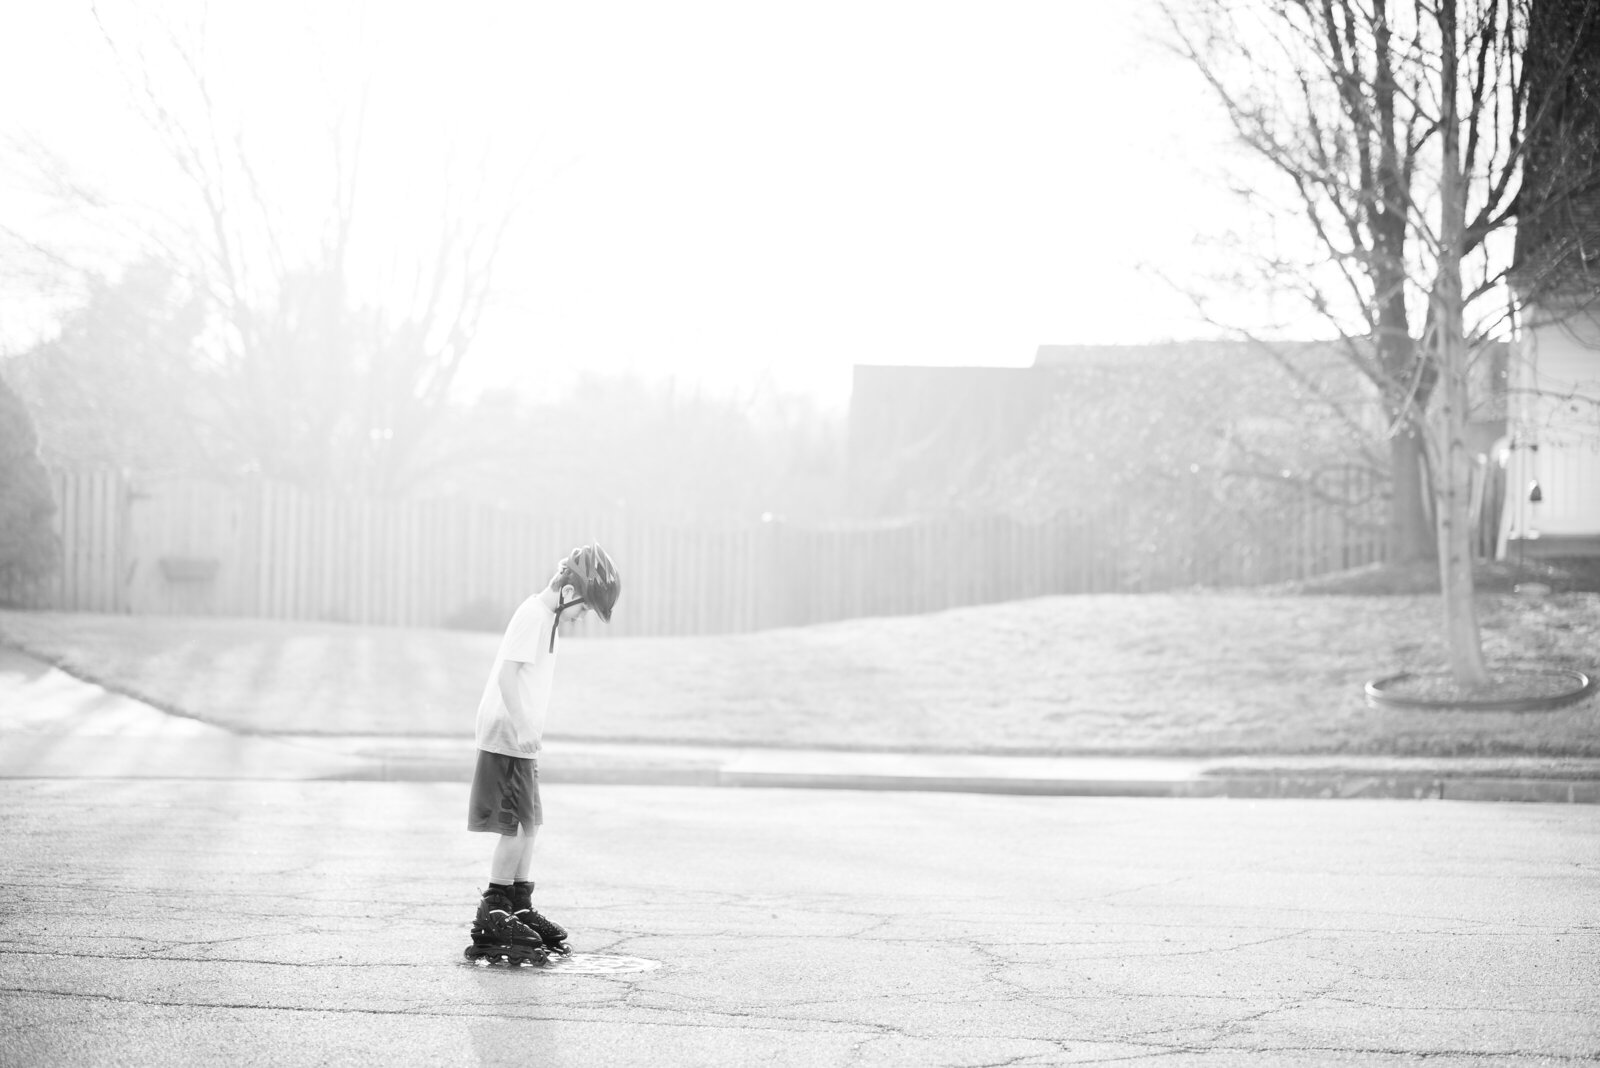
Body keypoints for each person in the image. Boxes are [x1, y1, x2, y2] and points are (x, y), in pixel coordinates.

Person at [463, 544, 621, 965]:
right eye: (584, 608)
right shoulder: (533, 616)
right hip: (506, 735)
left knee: (530, 825)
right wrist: (521, 726)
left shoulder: (548, 620)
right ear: (568, 589)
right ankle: (494, 912)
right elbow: (507, 677)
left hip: (520, 738)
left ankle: (518, 904)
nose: (582, 617)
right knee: (514, 826)